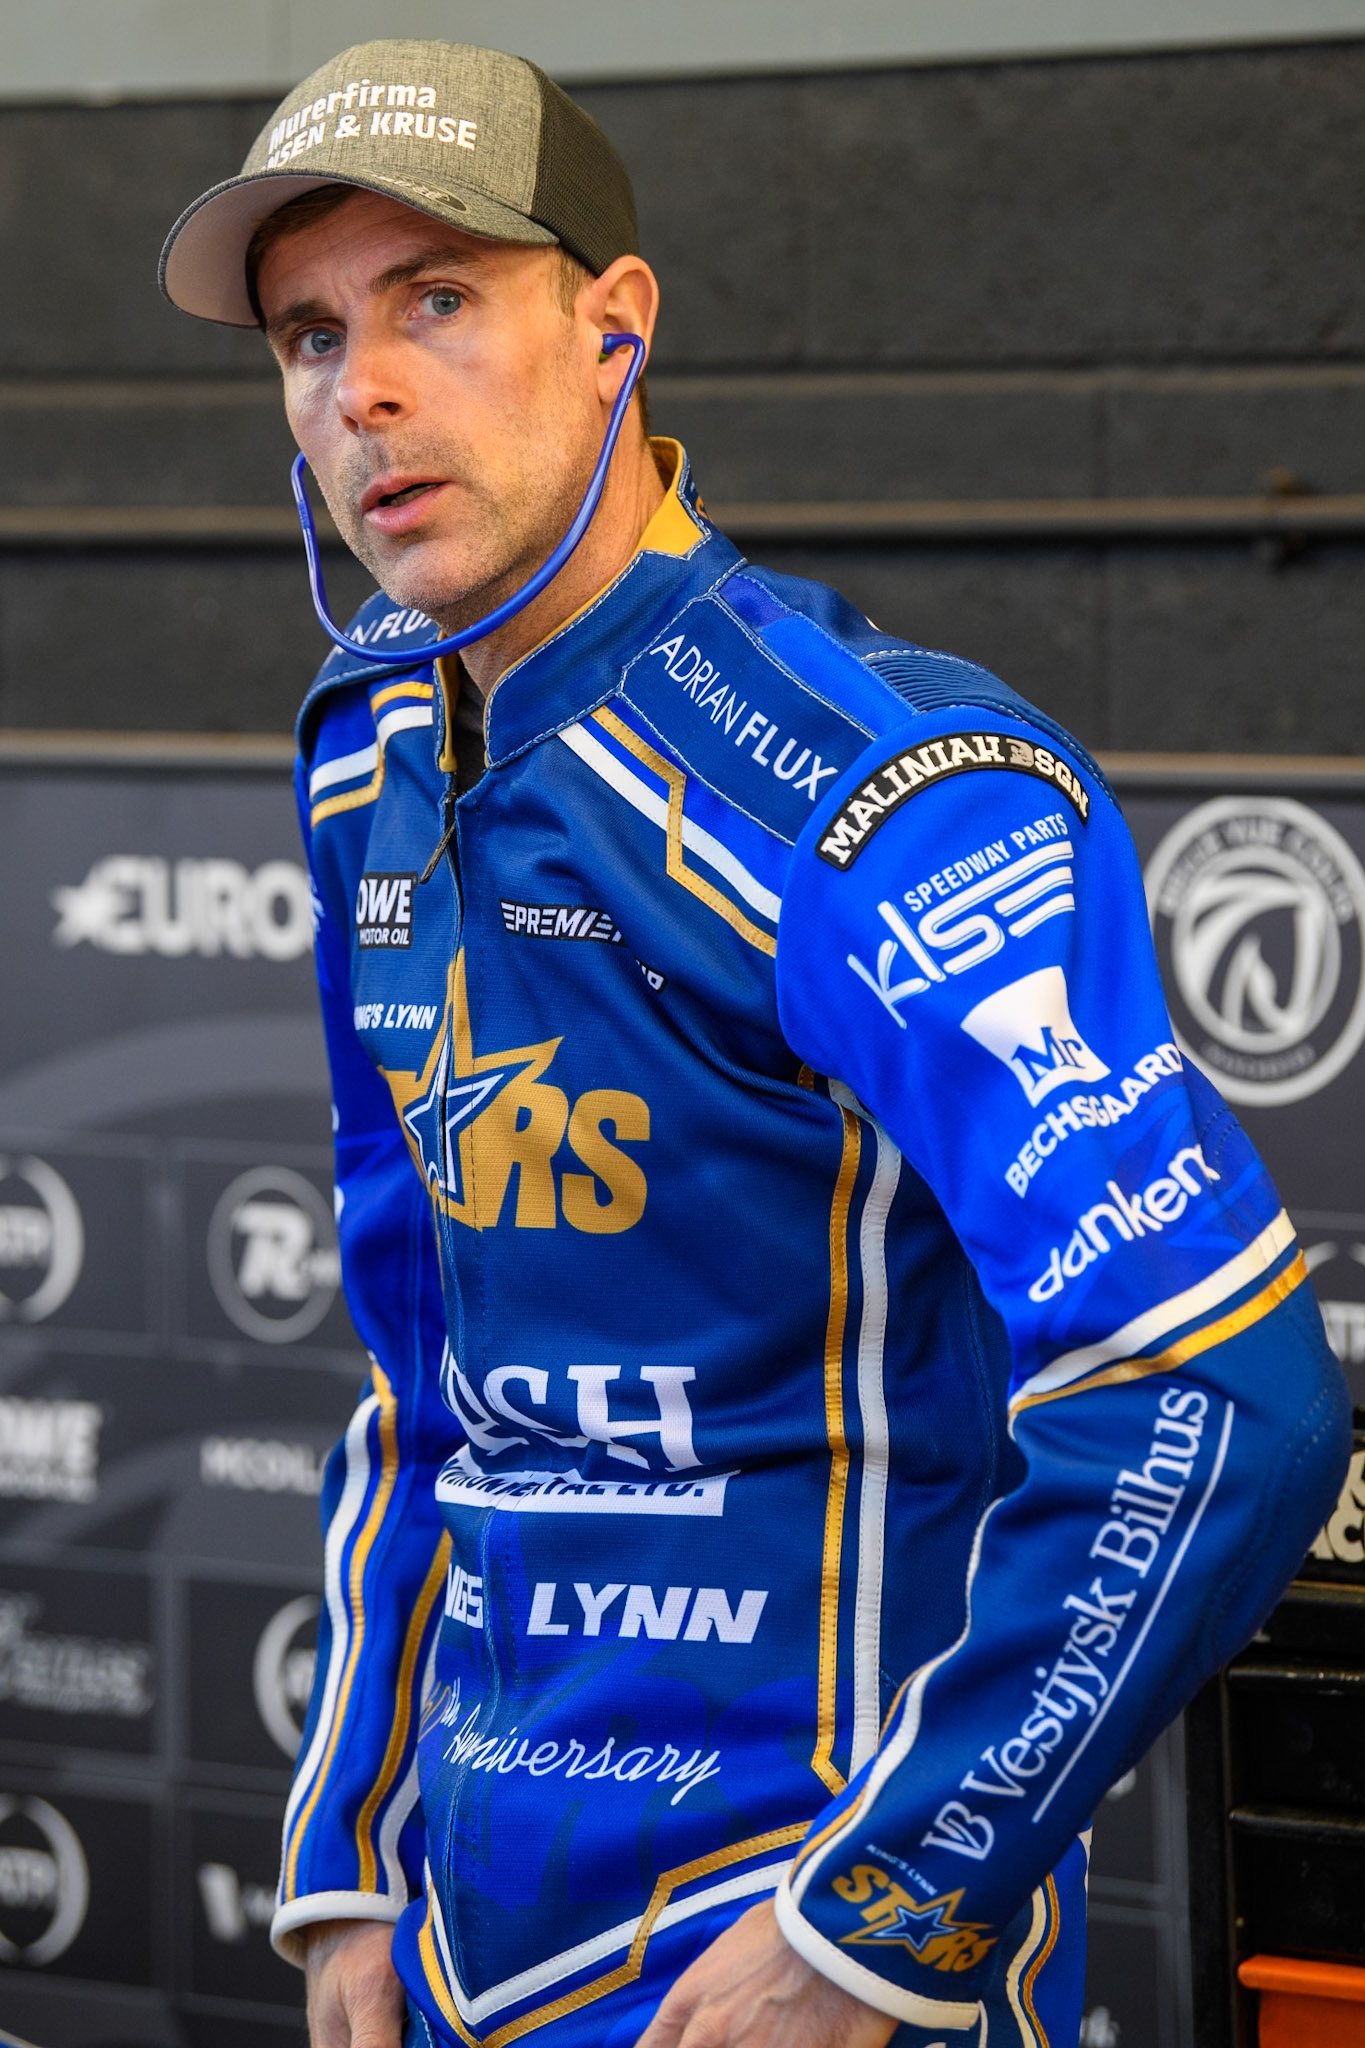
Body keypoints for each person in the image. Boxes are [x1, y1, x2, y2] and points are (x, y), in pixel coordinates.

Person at [160, 38, 1348, 2048]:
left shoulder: (884, 790)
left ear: (614, 327)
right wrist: (351, 1845)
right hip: (461, 1939)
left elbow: (1208, 1394)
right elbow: (428, 1363)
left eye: (434, 301)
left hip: (770, 1952)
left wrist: (876, 1915)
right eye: (305, 333)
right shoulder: (369, 749)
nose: (357, 392)